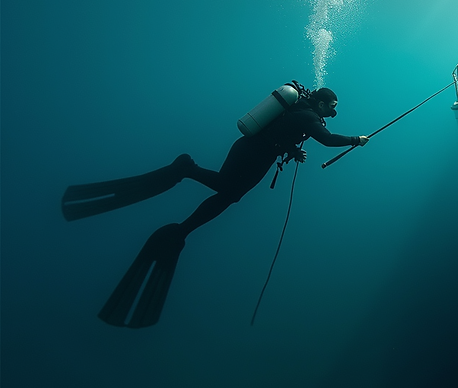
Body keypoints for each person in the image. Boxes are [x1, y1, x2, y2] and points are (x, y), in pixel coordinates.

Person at [62, 87, 368, 328]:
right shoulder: (309, 117)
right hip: (253, 155)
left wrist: (291, 150)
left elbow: (281, 132)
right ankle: (186, 170)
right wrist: (356, 139)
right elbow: (326, 140)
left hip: (255, 152)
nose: (335, 111)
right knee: (226, 189)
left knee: (228, 194)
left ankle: (185, 224)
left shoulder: (300, 111)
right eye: (333, 106)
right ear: (322, 104)